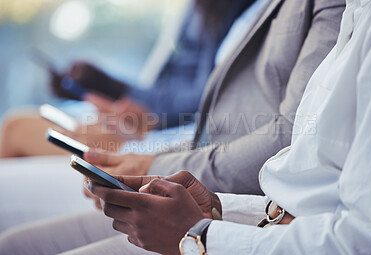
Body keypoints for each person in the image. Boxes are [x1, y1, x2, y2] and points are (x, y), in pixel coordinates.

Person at [1, 0, 371, 255]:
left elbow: (362, 246)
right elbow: (308, 180)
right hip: (251, 211)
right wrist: (220, 207)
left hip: (245, 227)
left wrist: (200, 235)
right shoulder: (360, 14)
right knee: (14, 242)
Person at [0, 0, 254, 158]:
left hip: (164, 133)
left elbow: (208, 96)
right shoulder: (199, 9)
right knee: (16, 127)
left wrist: (117, 90)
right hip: (150, 123)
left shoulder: (230, 10)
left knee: (15, 129)